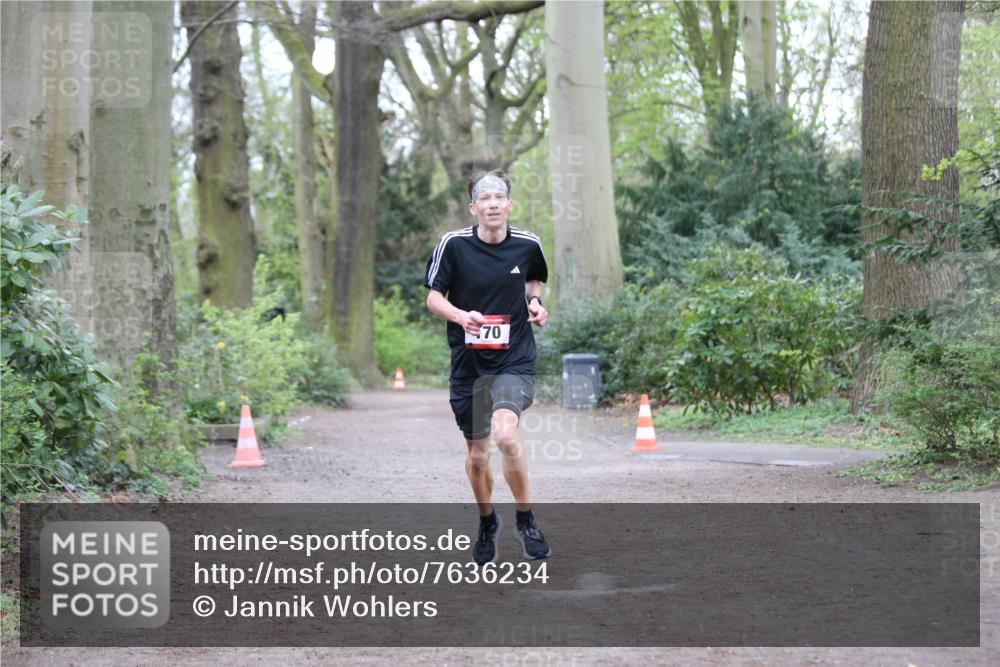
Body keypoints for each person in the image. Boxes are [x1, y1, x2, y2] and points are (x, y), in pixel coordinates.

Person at [424, 169, 550, 565]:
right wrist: (461, 317)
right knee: (478, 457)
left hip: (514, 358)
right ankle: (486, 521)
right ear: (473, 207)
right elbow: (433, 298)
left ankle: (526, 519)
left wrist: (535, 304)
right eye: (485, 198)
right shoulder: (453, 245)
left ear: (509, 204)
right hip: (469, 364)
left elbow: (534, 281)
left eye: (500, 197)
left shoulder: (528, 244)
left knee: (506, 436)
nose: (493, 204)